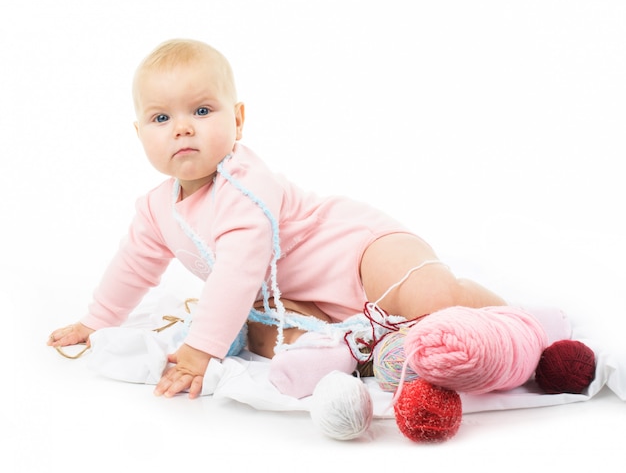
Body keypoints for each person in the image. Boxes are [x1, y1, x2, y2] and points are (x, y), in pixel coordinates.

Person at [48, 39, 552, 400]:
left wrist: (202, 349)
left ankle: (523, 325)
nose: (182, 128)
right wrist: (97, 320)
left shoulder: (245, 184)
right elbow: (133, 266)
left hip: (359, 254)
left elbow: (238, 270)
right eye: (161, 118)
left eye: (201, 110)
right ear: (139, 133)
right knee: (267, 335)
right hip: (310, 299)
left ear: (238, 119)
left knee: (432, 300)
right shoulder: (156, 208)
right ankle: (366, 349)